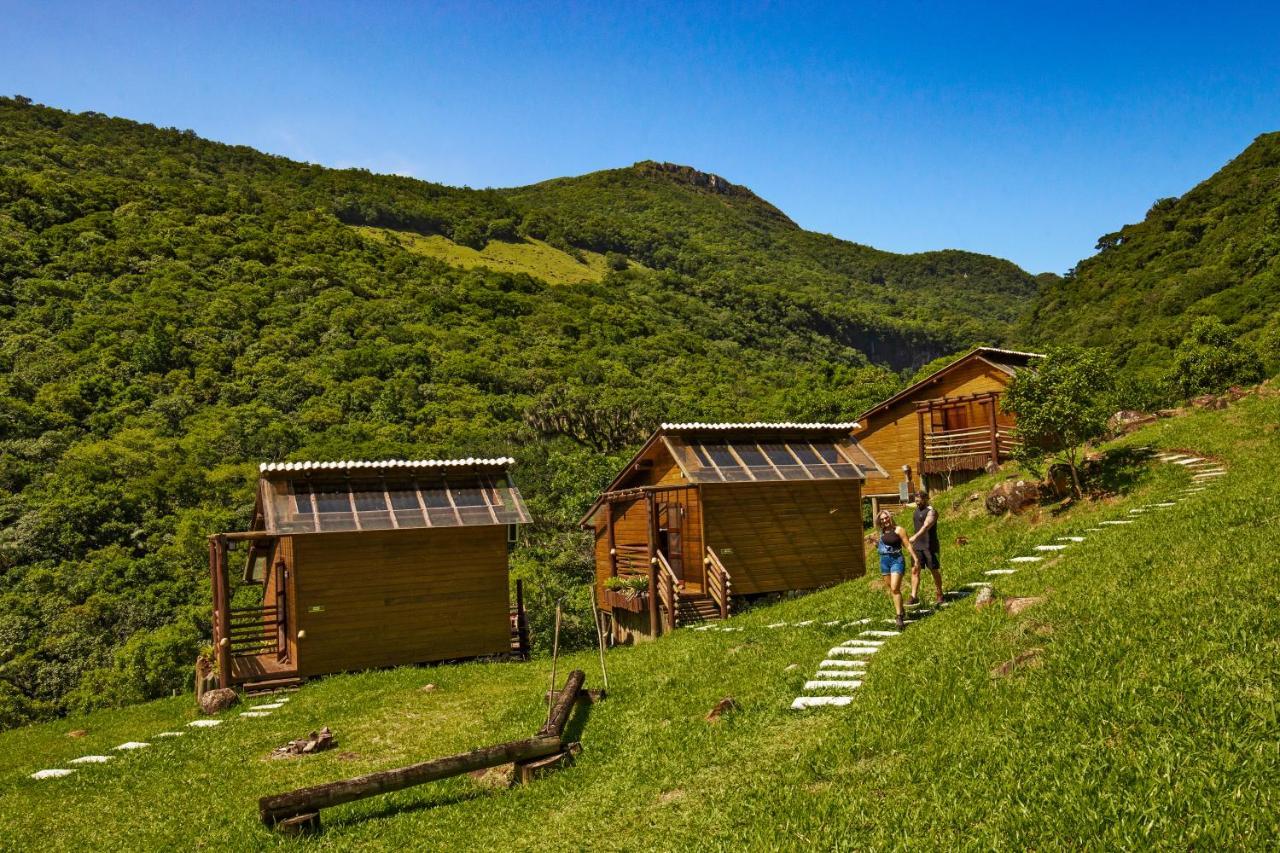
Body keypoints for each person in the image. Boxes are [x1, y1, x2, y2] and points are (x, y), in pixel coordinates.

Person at [875, 509, 912, 630]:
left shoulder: (898, 529)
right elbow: (883, 545)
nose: (885, 520)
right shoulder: (881, 532)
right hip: (884, 562)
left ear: (890, 517)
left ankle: (899, 617)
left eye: (886, 518)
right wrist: (876, 543)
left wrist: (915, 558)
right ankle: (901, 610)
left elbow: (907, 544)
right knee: (892, 589)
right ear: (880, 522)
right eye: (882, 519)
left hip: (897, 560)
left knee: (895, 587)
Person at [908, 490, 943, 607]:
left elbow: (926, 526)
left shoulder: (932, 512)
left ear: (925, 499)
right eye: (916, 501)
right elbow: (910, 505)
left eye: (919, 501)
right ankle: (913, 596)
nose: (917, 503)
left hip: (929, 546)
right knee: (915, 570)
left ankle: (939, 593)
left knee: (934, 570)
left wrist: (915, 536)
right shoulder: (917, 509)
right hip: (917, 546)